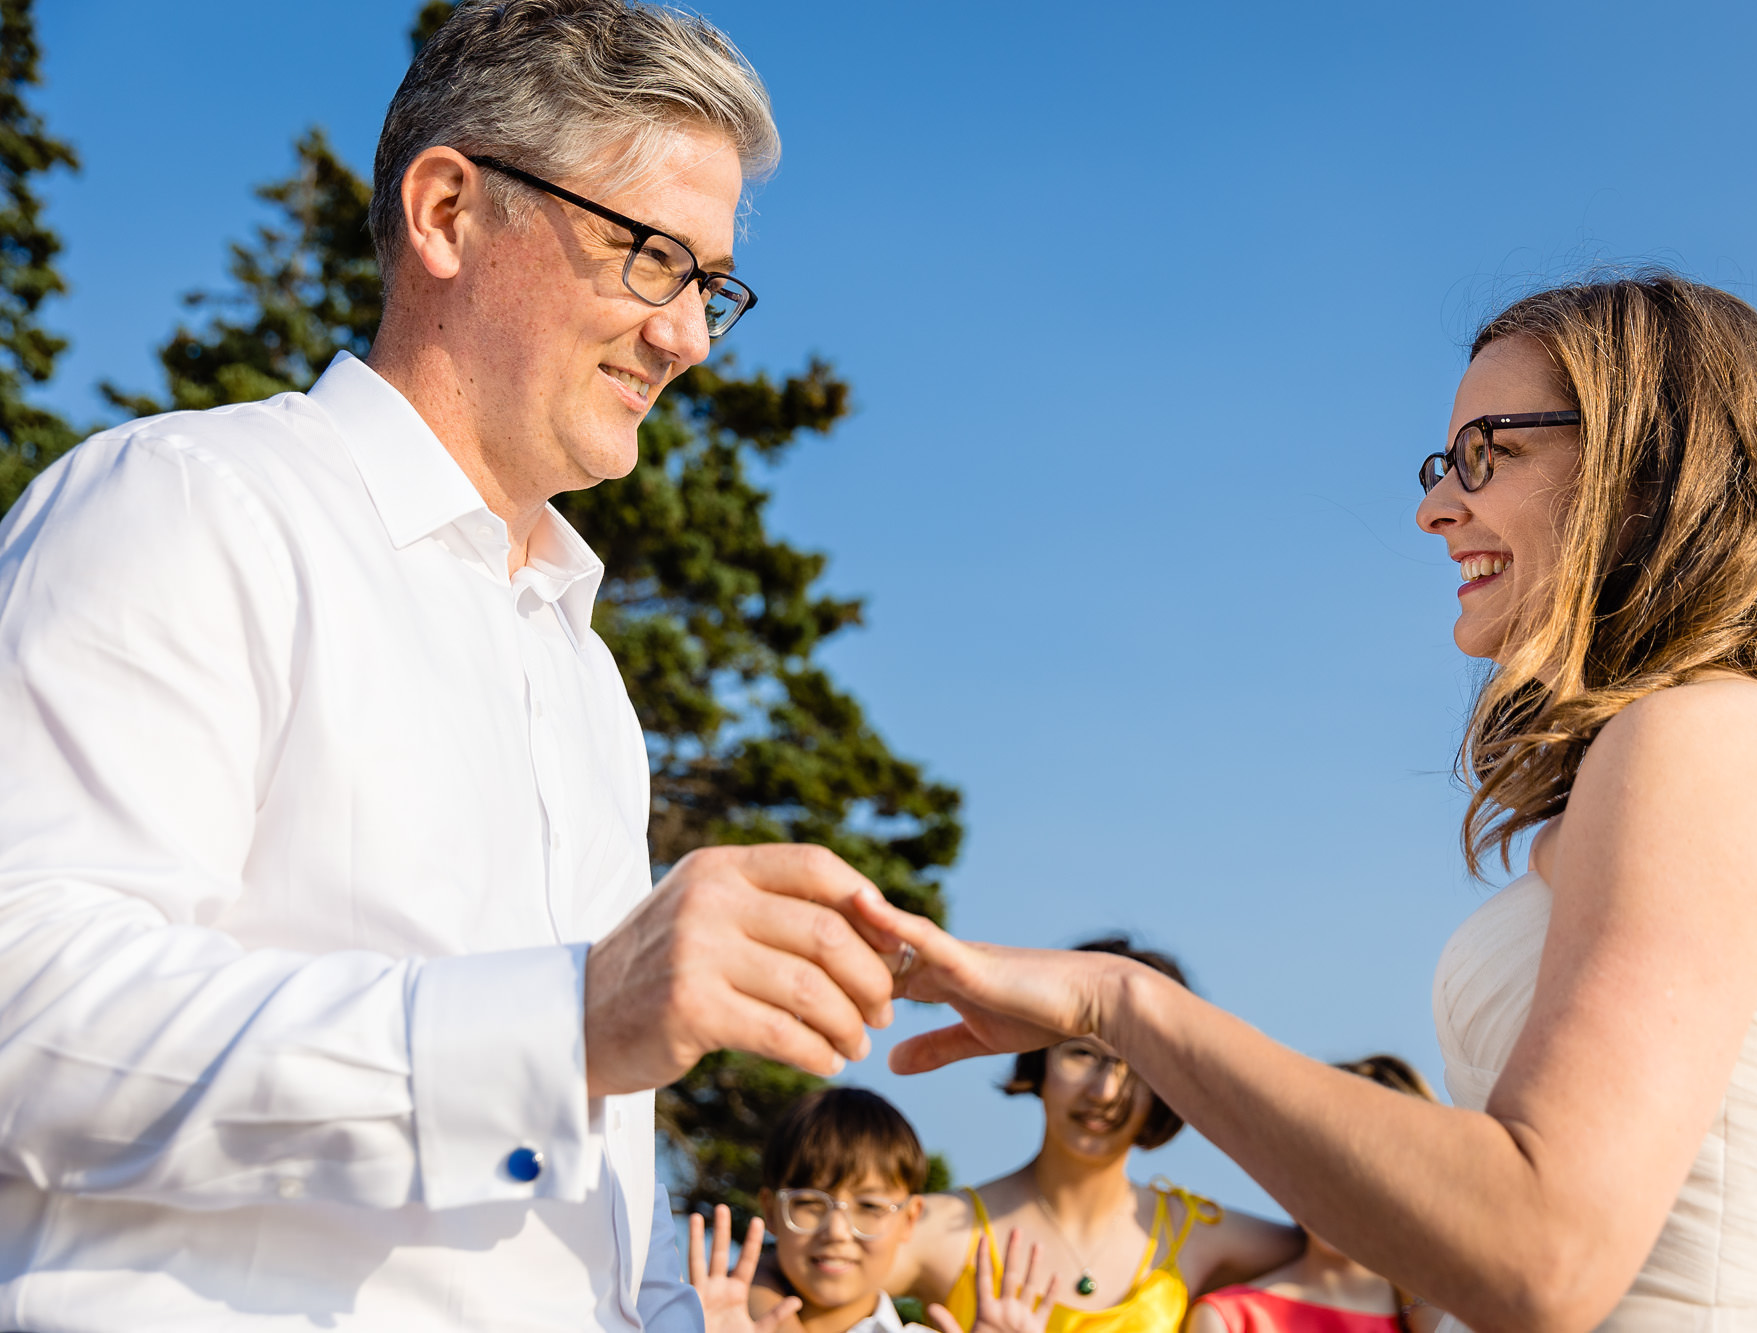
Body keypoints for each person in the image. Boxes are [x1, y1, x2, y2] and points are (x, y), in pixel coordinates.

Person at [855, 273, 1757, 1332]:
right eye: (1439, 463)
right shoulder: (1722, 750)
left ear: (1647, 465)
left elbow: (1539, 1245)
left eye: (1482, 452)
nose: (1434, 507)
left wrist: (1121, 1005)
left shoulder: (1706, 738)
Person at [0, 1, 908, 1327]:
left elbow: (603, 1181)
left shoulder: (585, 676)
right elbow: (29, 1015)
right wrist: (563, 1021)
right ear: (446, 213)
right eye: (653, 258)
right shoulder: (188, 504)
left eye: (712, 284)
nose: (690, 339)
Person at [855, 937, 1299, 1333]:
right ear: (1036, 1057)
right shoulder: (942, 1227)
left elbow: (1355, 1253)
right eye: (1082, 1053)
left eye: (1134, 1064)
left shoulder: (1201, 1235)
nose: (1104, 1091)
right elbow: (798, 1269)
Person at [1189, 1057, 1444, 1333]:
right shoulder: (1230, 1319)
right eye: (1317, 1158)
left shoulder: (1441, 1319)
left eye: (1362, 1168)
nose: (1335, 1189)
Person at [757, 1087, 934, 1333]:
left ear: (910, 1219)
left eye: (870, 1206)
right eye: (809, 1203)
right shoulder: (704, 1322)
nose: (836, 1231)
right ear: (771, 1210)